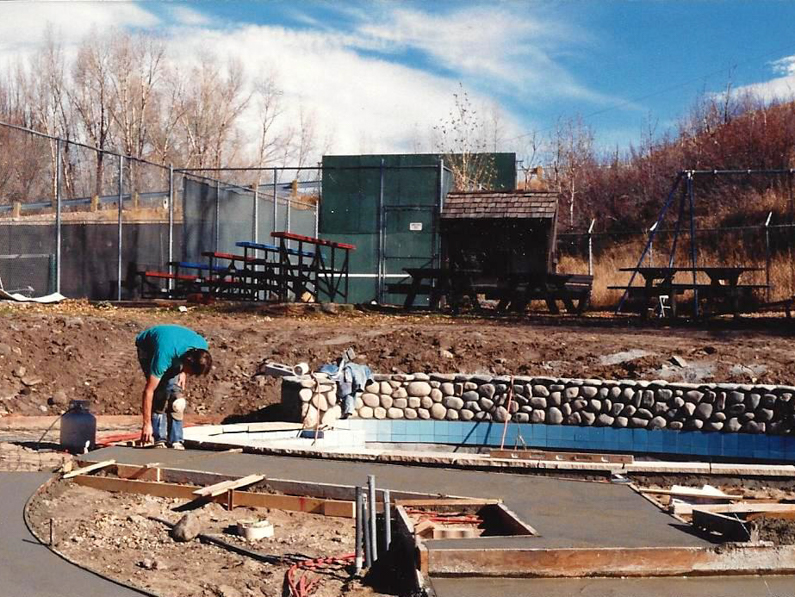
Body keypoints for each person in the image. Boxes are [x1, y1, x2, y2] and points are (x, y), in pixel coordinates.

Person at [135, 324, 212, 449]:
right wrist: (146, 424)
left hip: (173, 347)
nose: (190, 375)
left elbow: (186, 358)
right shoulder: (163, 357)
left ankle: (176, 440)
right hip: (148, 347)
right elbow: (149, 391)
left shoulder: (202, 347)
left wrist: (183, 372)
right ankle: (158, 439)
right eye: (190, 372)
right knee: (160, 393)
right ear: (187, 362)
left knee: (177, 401)